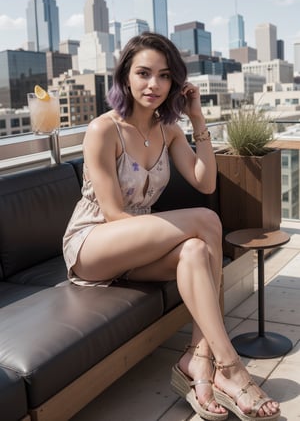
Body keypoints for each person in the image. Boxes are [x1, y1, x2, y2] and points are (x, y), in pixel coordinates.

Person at [63, 32, 280, 421]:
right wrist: (161, 237)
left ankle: (197, 361)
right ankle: (227, 366)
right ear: (125, 77)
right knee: (206, 219)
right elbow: (113, 215)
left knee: (197, 250)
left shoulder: (169, 131)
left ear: (175, 83)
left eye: (164, 76)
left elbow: (206, 182)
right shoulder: (103, 130)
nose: (154, 85)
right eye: (143, 73)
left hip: (138, 247)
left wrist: (197, 119)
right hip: (95, 243)